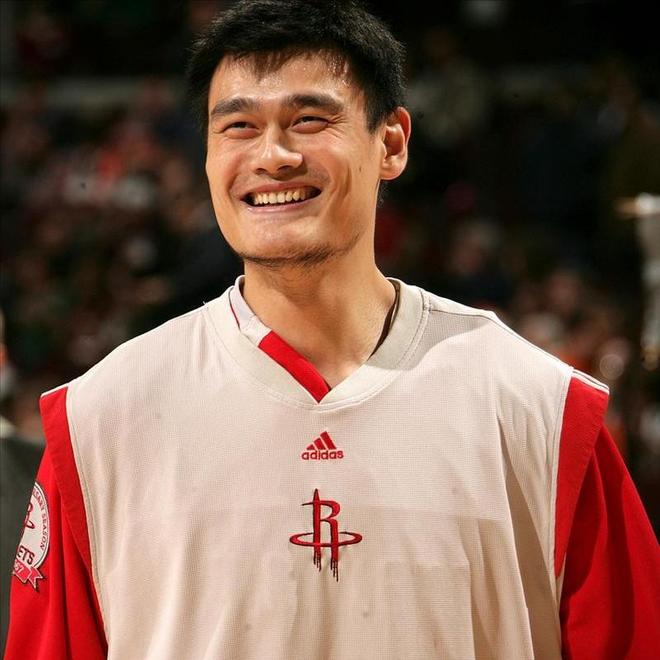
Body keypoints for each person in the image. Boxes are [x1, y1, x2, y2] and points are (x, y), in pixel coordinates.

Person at [5, 1, 659, 658]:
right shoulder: (101, 419)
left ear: (391, 143)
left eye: (309, 120)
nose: (272, 156)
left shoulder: (542, 410)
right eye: (237, 127)